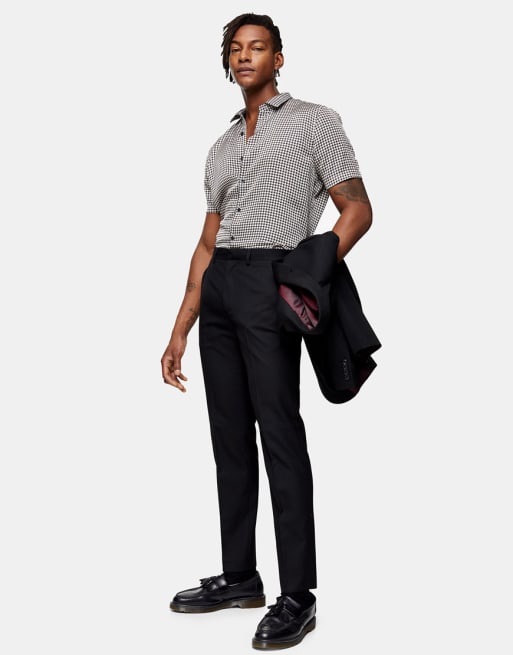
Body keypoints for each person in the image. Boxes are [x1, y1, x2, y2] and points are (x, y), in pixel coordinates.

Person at [161, 12, 373, 650]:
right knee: (229, 439)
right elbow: (206, 243)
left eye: (258, 47)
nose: (246, 56)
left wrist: (308, 272)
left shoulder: (313, 122)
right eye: (236, 49)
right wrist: (179, 329)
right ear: (228, 62)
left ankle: (298, 596)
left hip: (271, 282)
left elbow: (358, 208)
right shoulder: (222, 144)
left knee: (280, 436)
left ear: (278, 58)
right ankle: (240, 577)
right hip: (221, 287)